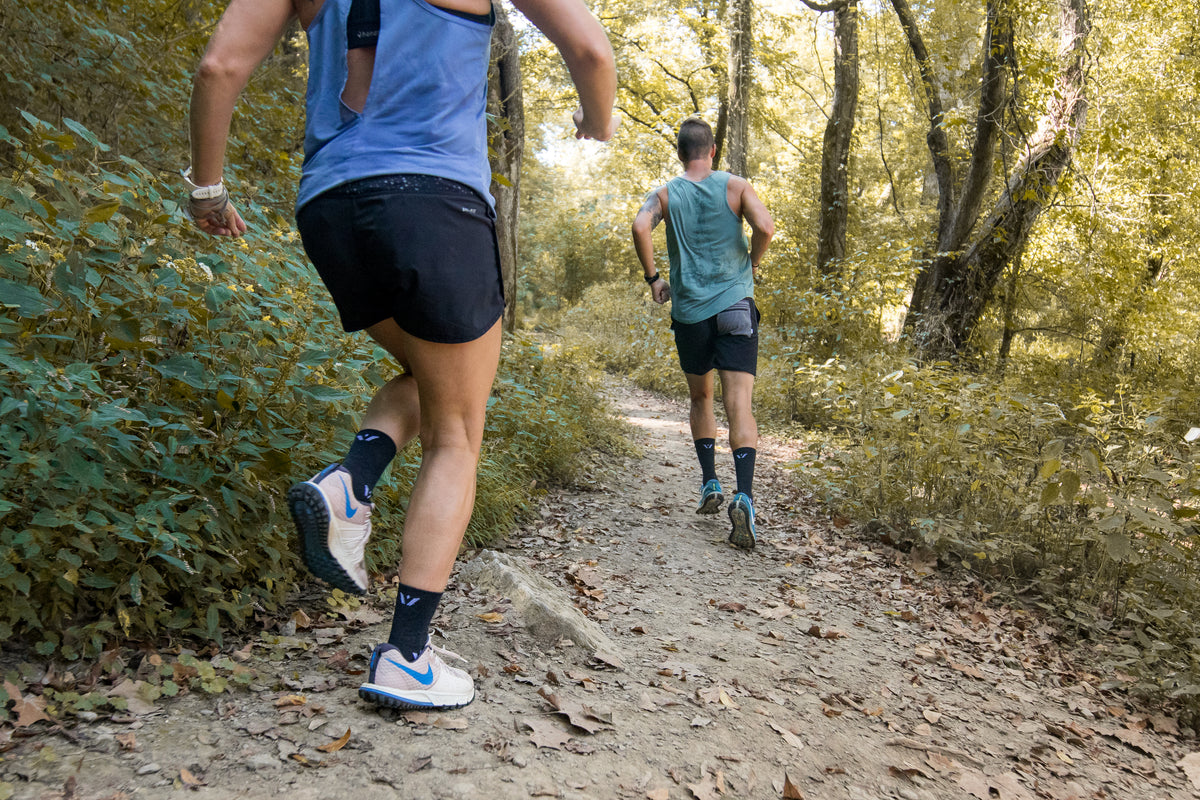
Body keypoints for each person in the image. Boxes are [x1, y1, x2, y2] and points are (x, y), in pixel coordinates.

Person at [186, 0, 617, 711]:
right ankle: (407, 656)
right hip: (434, 204)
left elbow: (219, 65)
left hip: (330, 207)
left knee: (430, 377)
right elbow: (592, 52)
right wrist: (596, 125)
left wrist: (208, 189)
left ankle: (350, 484)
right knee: (457, 435)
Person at [630, 117, 773, 549]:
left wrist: (654, 278)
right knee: (739, 403)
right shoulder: (735, 185)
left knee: (700, 397)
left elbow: (640, 227)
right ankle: (743, 496)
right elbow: (765, 228)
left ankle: (711, 482)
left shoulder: (665, 195)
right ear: (712, 150)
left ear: (680, 153)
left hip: (691, 312)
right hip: (735, 307)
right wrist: (752, 264)